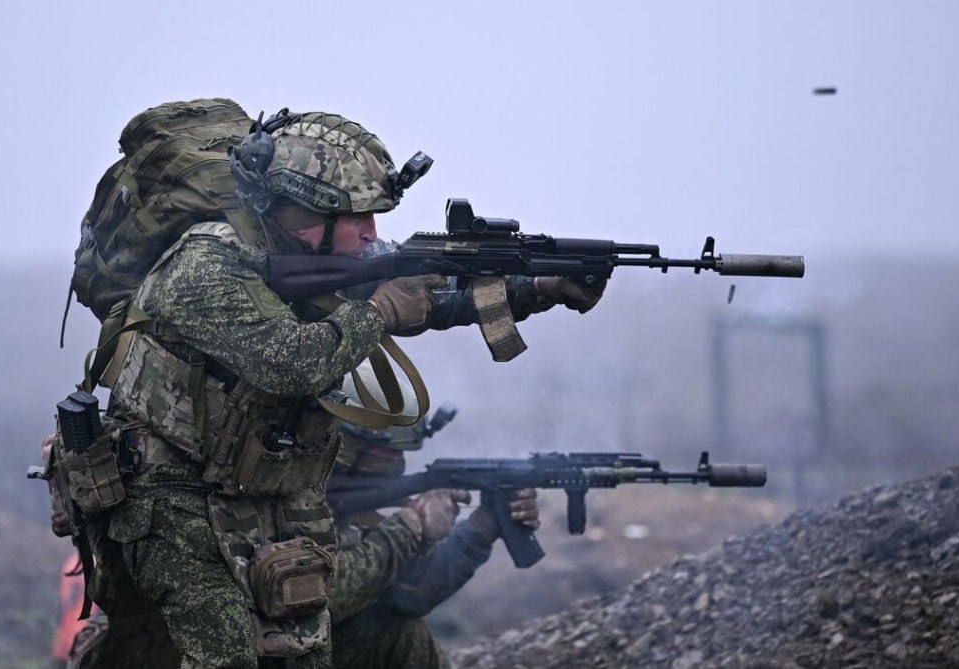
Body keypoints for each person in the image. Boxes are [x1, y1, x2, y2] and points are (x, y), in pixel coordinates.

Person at [92, 111, 604, 668]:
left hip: (267, 486)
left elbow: (429, 299)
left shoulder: (316, 256)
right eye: (356, 217)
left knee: (305, 649)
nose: (371, 234)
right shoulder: (203, 267)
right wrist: (379, 311)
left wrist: (538, 288)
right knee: (223, 654)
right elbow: (290, 363)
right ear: (302, 213)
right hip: (171, 491)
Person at [325, 409, 539, 669]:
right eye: (385, 452)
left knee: (403, 632)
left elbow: (408, 596)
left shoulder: (351, 511)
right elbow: (322, 598)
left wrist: (482, 527)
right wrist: (408, 527)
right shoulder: (287, 499)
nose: (395, 462)